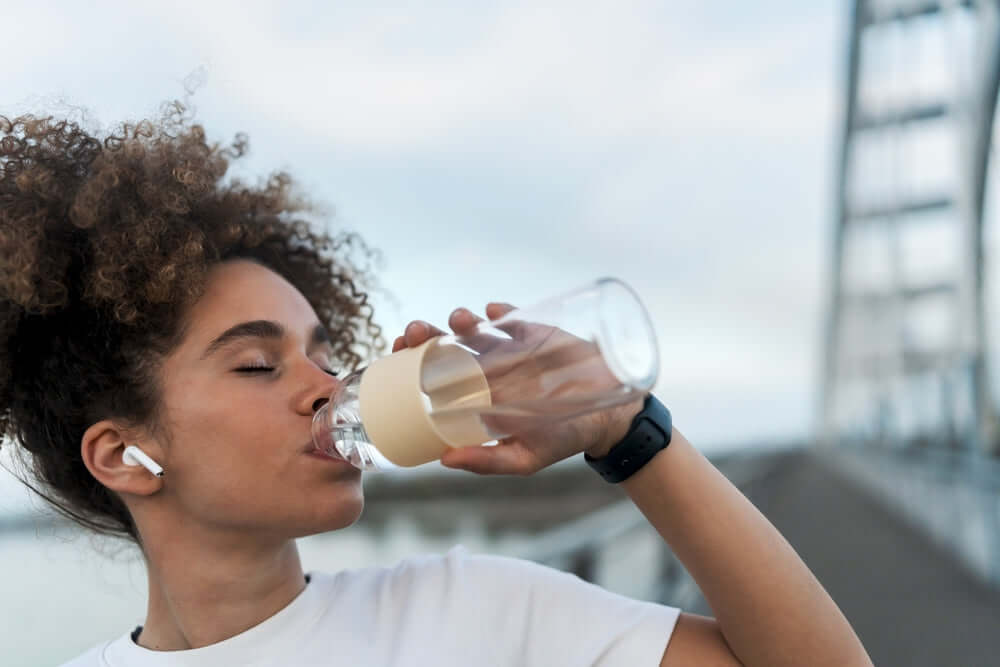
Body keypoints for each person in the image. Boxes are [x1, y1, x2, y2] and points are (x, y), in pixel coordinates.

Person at [0, 102, 873, 666]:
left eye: (324, 351)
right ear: (123, 453)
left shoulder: (475, 613)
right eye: (260, 363)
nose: (324, 384)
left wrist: (628, 431)